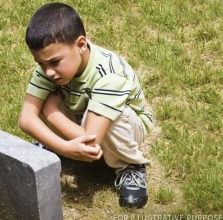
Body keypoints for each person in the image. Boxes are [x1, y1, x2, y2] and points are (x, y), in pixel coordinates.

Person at [19, 2, 153, 208]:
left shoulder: (110, 73)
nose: (48, 72)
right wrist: (64, 147)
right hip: (83, 120)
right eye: (40, 64)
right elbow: (26, 119)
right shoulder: (50, 67)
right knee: (46, 96)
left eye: (54, 62)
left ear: (81, 45)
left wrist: (51, 112)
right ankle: (58, 149)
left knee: (112, 116)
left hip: (124, 128)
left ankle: (130, 166)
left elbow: (92, 143)